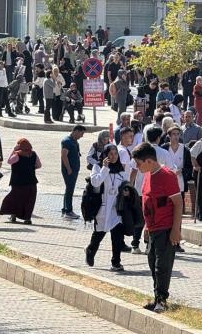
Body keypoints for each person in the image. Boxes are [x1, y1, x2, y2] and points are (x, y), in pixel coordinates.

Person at [132, 142, 183, 313]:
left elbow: (178, 204)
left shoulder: (167, 176)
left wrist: (176, 230)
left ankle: (162, 300)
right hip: (152, 228)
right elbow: (148, 202)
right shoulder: (147, 175)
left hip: (166, 227)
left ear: (149, 161)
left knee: (162, 265)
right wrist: (146, 226)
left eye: (139, 163)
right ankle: (157, 298)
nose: (137, 167)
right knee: (152, 262)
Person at [85, 144, 128, 272]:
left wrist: (127, 192)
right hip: (102, 207)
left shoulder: (121, 169)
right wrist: (105, 168)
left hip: (116, 208)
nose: (113, 156)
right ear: (105, 155)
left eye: (115, 154)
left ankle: (116, 262)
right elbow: (96, 182)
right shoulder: (97, 167)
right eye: (110, 154)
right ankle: (90, 250)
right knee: (99, 233)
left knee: (117, 236)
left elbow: (126, 184)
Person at [0, 138, 41, 224]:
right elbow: (39, 165)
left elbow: (9, 161)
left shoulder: (17, 155)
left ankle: (13, 216)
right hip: (31, 182)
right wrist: (30, 168)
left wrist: (14, 150)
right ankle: (27, 218)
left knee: (15, 199)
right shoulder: (33, 154)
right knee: (29, 200)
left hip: (18, 182)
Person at [60, 125, 85, 219]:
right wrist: (69, 169)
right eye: (81, 133)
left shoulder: (74, 141)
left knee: (69, 189)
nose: (82, 136)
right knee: (70, 190)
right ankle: (68, 211)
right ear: (76, 131)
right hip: (69, 171)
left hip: (74, 170)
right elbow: (64, 156)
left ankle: (65, 209)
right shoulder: (67, 141)